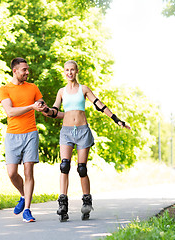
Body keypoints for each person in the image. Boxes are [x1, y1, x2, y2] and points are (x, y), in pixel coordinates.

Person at [42, 60, 131, 221]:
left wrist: (117, 120)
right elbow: (55, 110)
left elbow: (99, 105)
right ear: (64, 72)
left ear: (77, 71)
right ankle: (62, 204)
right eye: (67, 70)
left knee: (81, 168)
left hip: (82, 131)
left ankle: (87, 202)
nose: (69, 72)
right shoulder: (61, 91)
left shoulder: (83, 89)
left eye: (72, 70)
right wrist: (46, 110)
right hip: (66, 132)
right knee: (64, 166)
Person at [0, 57, 47, 222]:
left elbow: (42, 105)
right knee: (12, 173)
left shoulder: (33, 88)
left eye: (27, 69)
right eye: (24, 70)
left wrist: (43, 107)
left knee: (28, 172)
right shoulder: (5, 89)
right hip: (12, 135)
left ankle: (27, 209)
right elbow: (10, 112)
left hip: (30, 133)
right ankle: (22, 195)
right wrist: (31, 107)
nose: (27, 72)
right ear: (15, 71)